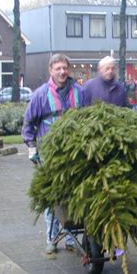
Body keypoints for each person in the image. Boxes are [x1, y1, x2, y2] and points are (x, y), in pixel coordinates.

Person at [22, 53, 85, 254]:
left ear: (69, 69)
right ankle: (52, 238)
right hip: (50, 155)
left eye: (65, 68)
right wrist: (32, 148)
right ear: (51, 70)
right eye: (57, 68)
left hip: (75, 153)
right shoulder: (40, 95)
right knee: (52, 197)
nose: (62, 72)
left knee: (74, 195)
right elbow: (29, 124)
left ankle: (70, 238)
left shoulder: (79, 92)